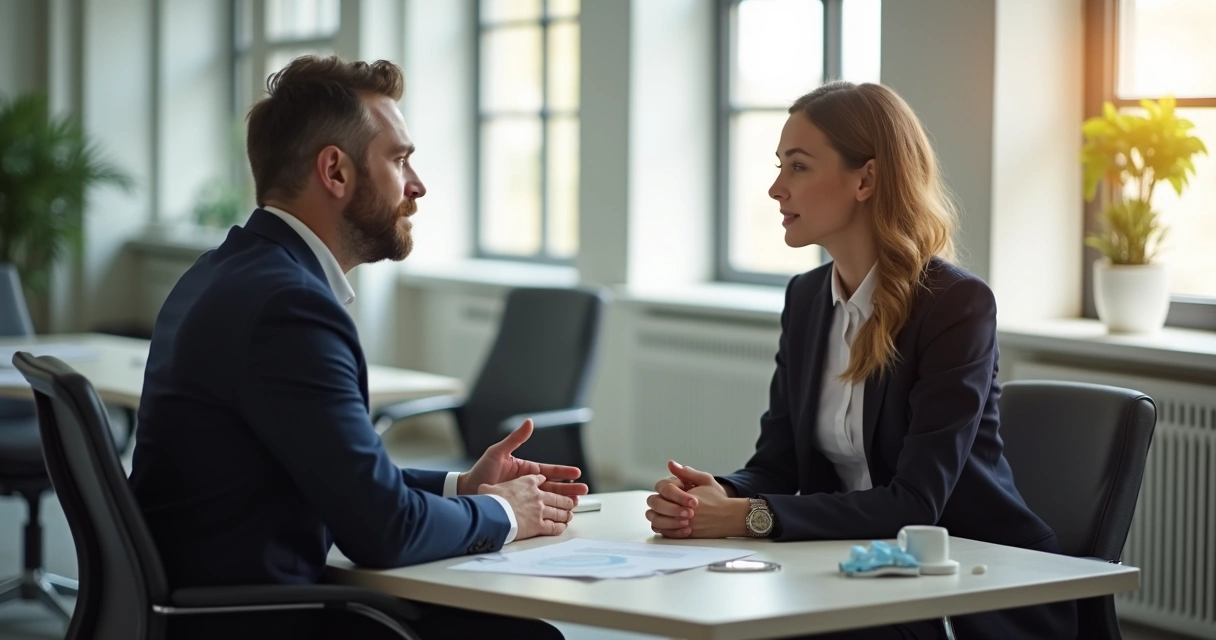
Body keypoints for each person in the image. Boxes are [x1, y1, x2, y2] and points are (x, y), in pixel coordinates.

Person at [129, 56, 584, 640]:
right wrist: (505, 513)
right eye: (399, 159)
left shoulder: (223, 272)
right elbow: (382, 532)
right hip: (255, 620)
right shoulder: (288, 307)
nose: (417, 185)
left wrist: (462, 488)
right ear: (335, 172)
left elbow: (334, 471)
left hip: (205, 601)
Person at [643, 81, 1077, 640]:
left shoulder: (955, 306)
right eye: (780, 166)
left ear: (866, 179)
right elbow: (778, 466)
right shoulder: (805, 300)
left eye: (798, 167)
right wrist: (717, 495)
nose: (776, 189)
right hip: (860, 577)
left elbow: (916, 504)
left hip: (972, 588)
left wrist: (753, 517)